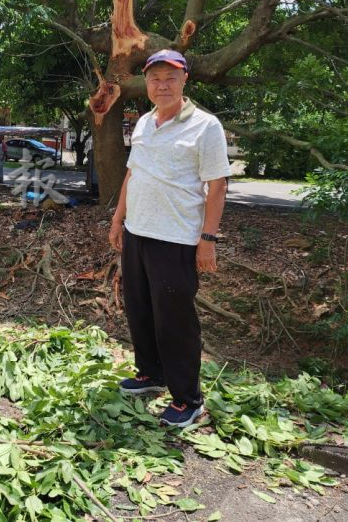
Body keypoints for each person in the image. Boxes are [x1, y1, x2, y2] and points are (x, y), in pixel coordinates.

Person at [108, 49, 229, 427]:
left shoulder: (206, 126)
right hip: (136, 232)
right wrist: (117, 219)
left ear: (184, 80)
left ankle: (188, 399)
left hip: (176, 238)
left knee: (174, 320)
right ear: (147, 83)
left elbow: (217, 185)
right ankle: (151, 374)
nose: (162, 85)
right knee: (140, 309)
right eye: (155, 78)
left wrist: (207, 238)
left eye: (170, 78)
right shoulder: (144, 122)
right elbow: (133, 174)